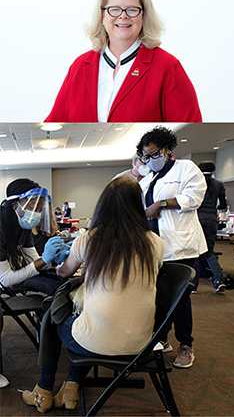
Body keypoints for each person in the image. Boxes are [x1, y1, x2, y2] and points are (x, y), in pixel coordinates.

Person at [22, 176, 163, 413]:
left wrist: (54, 264)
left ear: (103, 206)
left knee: (53, 316)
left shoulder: (90, 238)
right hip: (143, 342)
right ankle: (70, 387)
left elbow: (65, 272)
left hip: (95, 341)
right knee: (87, 321)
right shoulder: (155, 242)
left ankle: (43, 391)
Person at [45, 0, 202, 122]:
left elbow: (191, 131)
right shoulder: (79, 66)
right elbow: (55, 124)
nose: (123, 16)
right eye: (114, 9)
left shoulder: (167, 67)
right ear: (102, 15)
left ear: (143, 16)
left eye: (132, 10)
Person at [137, 126, 206, 368]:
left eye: (154, 154)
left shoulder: (186, 168)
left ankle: (186, 345)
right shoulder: (147, 180)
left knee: (180, 296)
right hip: (155, 247)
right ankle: (162, 337)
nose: (150, 160)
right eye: (146, 157)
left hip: (181, 245)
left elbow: (195, 197)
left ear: (166, 149)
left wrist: (162, 204)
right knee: (160, 294)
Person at [0, 179, 68, 295]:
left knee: (59, 285)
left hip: (8, 277)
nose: (36, 214)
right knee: (52, 288)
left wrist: (53, 260)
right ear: (15, 205)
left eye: (40, 210)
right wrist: (44, 260)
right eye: (32, 208)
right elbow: (5, 280)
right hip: (4, 280)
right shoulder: (2, 228)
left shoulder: (23, 226)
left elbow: (35, 261)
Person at [195, 161, 227, 292]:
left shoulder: (196, 184)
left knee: (195, 253)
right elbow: (223, 205)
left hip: (197, 219)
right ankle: (219, 280)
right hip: (212, 220)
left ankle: (193, 286)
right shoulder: (219, 184)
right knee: (209, 252)